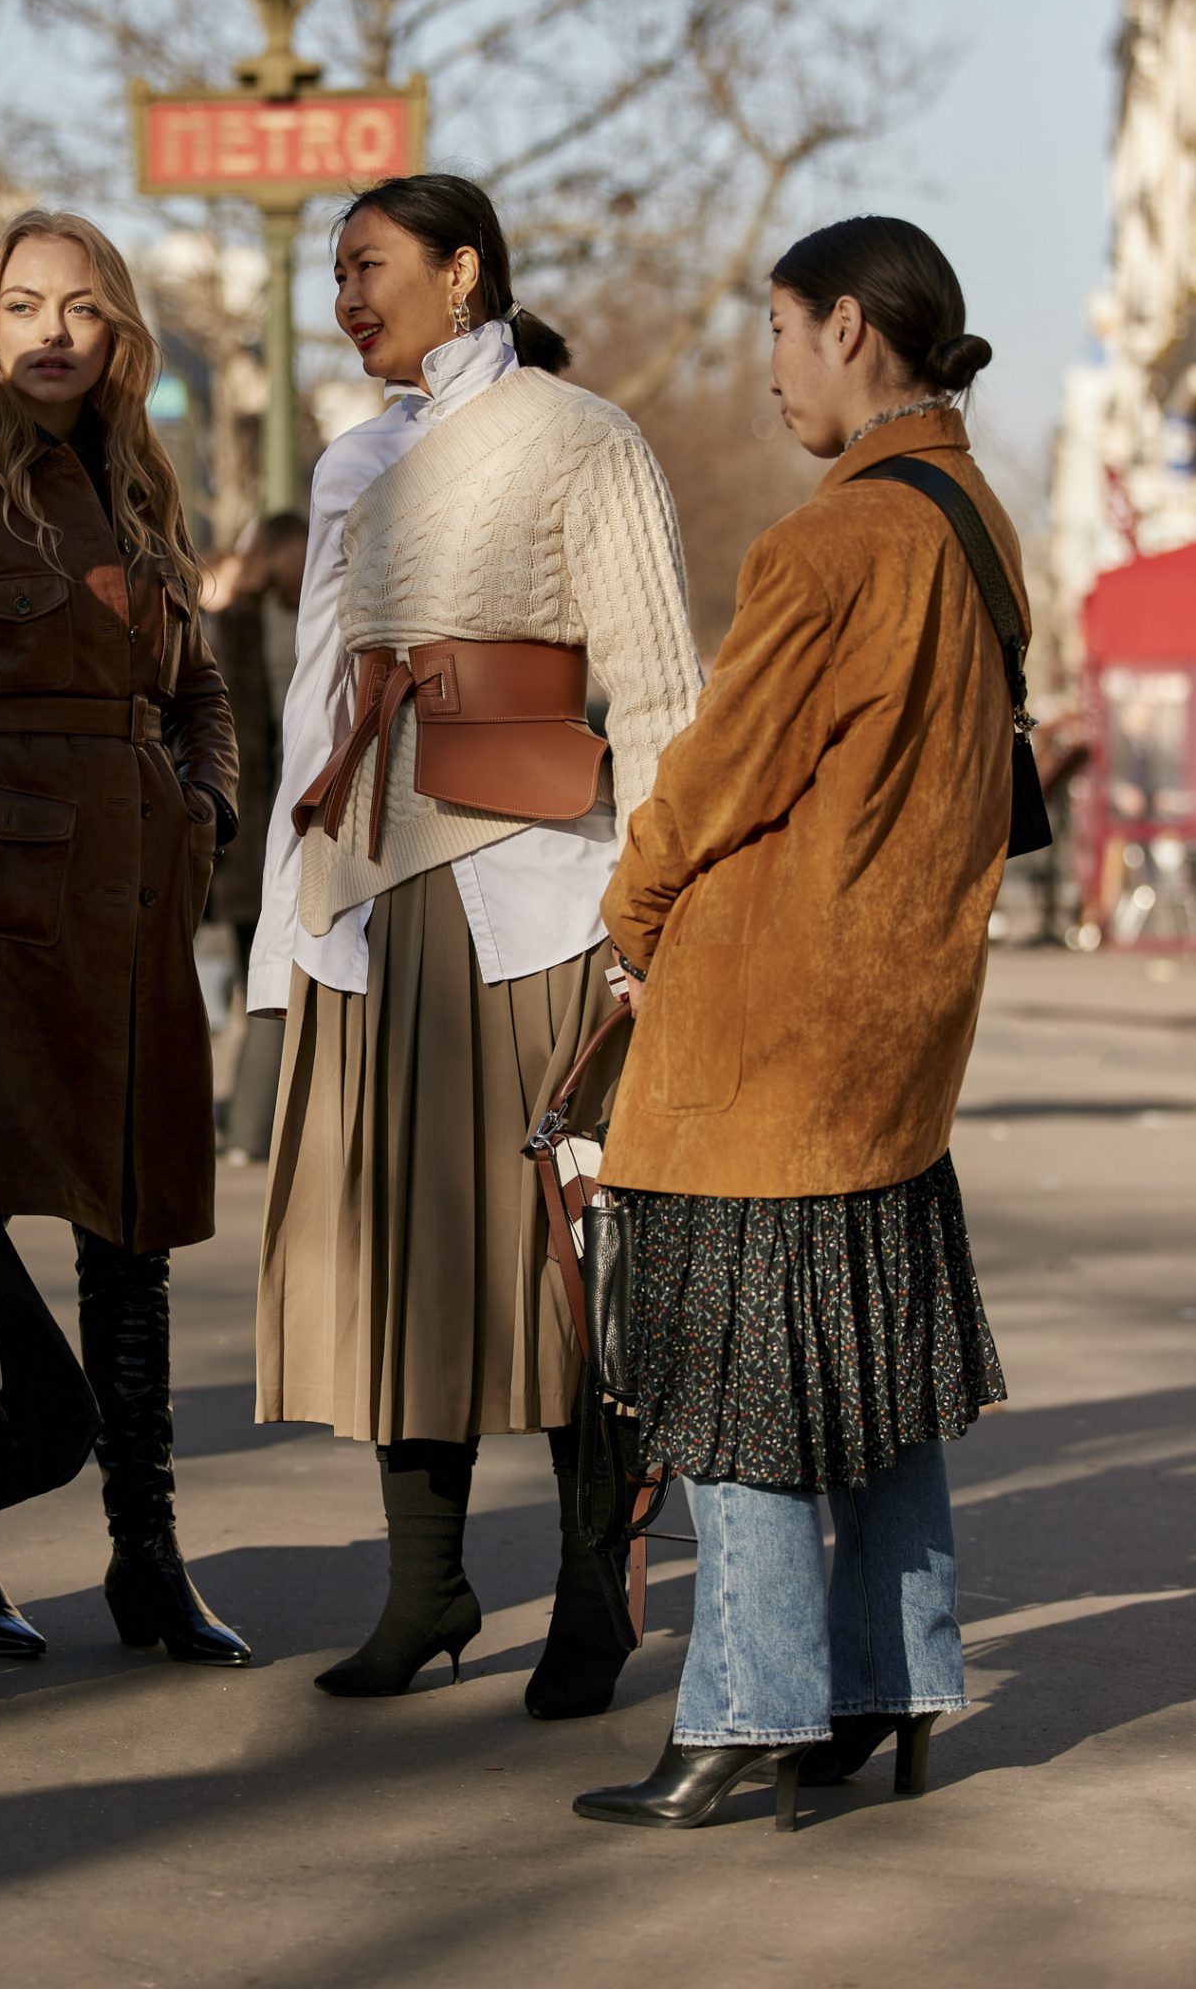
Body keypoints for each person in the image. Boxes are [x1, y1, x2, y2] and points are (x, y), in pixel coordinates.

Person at [572, 215, 1013, 1838]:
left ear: (844, 325)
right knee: (870, 1381)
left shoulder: (822, 547)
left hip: (763, 1035)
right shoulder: (973, 519)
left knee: (739, 1383)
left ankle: (746, 1713)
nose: (764, 371)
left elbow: (711, 770)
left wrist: (626, 912)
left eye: (774, 332)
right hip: (896, 1031)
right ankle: (888, 1682)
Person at [250, 173, 701, 1711]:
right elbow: (316, 705)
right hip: (377, 893)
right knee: (403, 1255)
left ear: (463, 274)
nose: (345, 298)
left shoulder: (584, 438)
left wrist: (657, 919)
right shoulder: (346, 464)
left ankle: (591, 1593)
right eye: (330, 273)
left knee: (566, 1262)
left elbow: (652, 692)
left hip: (539, 890)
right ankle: (424, 1585)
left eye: (369, 266)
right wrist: (277, 940)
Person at [0, 209, 249, 1668]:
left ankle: (144, 1555)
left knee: (132, 1238)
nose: (49, 332)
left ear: (117, 335)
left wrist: (205, 807)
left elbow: (203, 691)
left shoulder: (151, 497)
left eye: (79, 309)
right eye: (22, 305)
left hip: (136, 903)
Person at [204, 510, 309, 1161]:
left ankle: (242, 1130)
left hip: (224, 829)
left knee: (252, 979)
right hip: (264, 830)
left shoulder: (229, 624)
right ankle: (249, 1130)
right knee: (272, 981)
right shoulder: (280, 627)